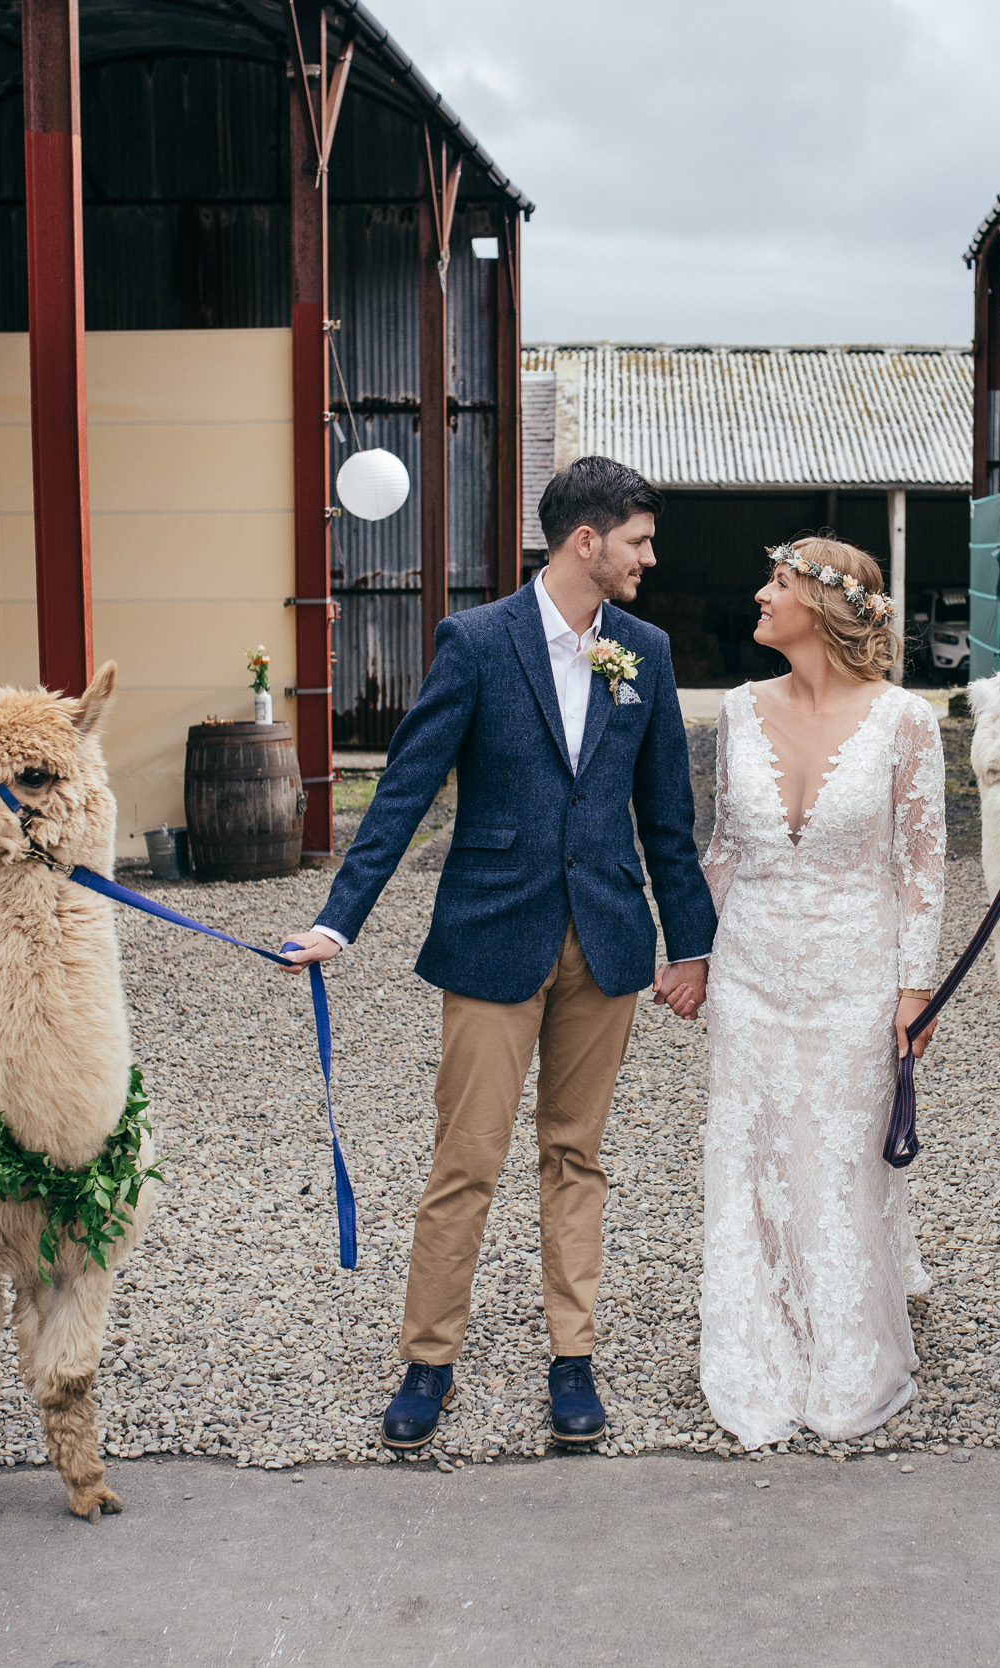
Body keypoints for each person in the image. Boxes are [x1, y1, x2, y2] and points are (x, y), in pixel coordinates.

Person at [279, 456, 716, 1451]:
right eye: (641, 541)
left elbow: (669, 821)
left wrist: (690, 945)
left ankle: (574, 1360)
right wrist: (339, 921)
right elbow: (404, 790)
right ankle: (427, 1361)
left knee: (576, 1159)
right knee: (465, 1161)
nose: (652, 558)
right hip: (490, 938)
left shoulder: (641, 649)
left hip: (608, 942)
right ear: (586, 543)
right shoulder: (476, 643)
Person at [691, 537, 947, 1446]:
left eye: (780, 584)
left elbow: (921, 868)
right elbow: (721, 846)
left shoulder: (906, 723)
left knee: (841, 1156)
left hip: (857, 974)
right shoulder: (736, 710)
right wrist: (690, 954)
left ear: (827, 607)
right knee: (755, 1151)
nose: (760, 595)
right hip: (753, 970)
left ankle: (845, 1344)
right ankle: (759, 1338)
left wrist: (915, 990)